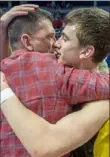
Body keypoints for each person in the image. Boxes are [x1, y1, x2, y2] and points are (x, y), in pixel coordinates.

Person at [0, 6, 110, 157]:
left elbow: (44, 146)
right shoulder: (55, 72)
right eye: (53, 36)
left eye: (64, 38)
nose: (56, 44)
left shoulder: (101, 103)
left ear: (86, 52)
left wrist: (3, 91)